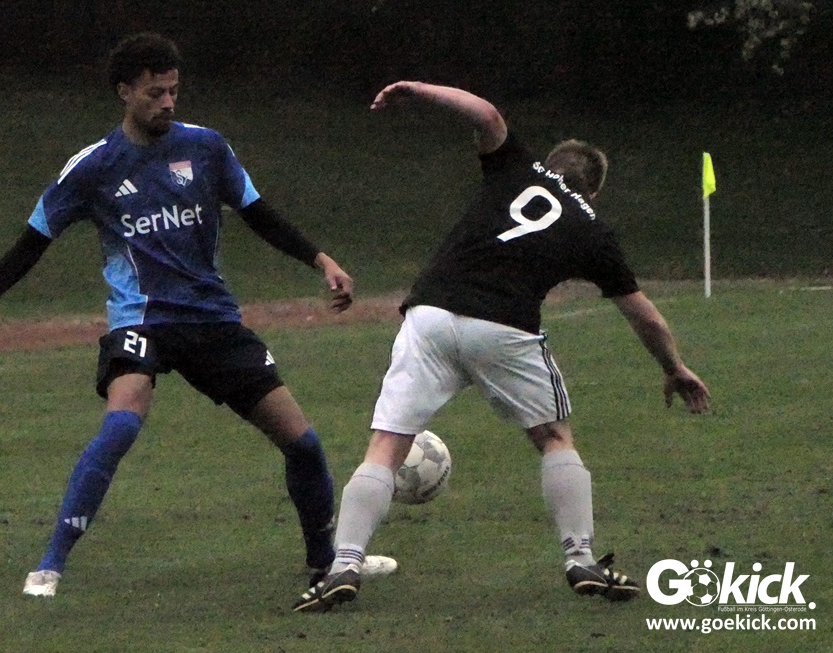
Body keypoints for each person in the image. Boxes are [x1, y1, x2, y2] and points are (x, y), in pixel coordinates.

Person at [0, 32, 388, 597]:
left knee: (303, 443)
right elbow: (32, 243)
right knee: (122, 422)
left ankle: (326, 562)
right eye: (155, 93)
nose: (168, 102)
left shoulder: (206, 147)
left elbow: (258, 214)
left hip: (211, 318)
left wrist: (321, 261)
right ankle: (49, 566)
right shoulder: (93, 167)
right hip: (141, 319)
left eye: (173, 91)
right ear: (125, 92)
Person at [293, 81, 711, 613]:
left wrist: (415, 90)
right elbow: (643, 314)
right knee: (554, 437)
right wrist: (674, 367)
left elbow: (487, 114)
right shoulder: (592, 229)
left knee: (387, 445)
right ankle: (581, 558)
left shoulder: (516, 166)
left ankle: (344, 565)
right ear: (594, 191)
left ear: (551, 166)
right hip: (503, 327)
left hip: (430, 315)